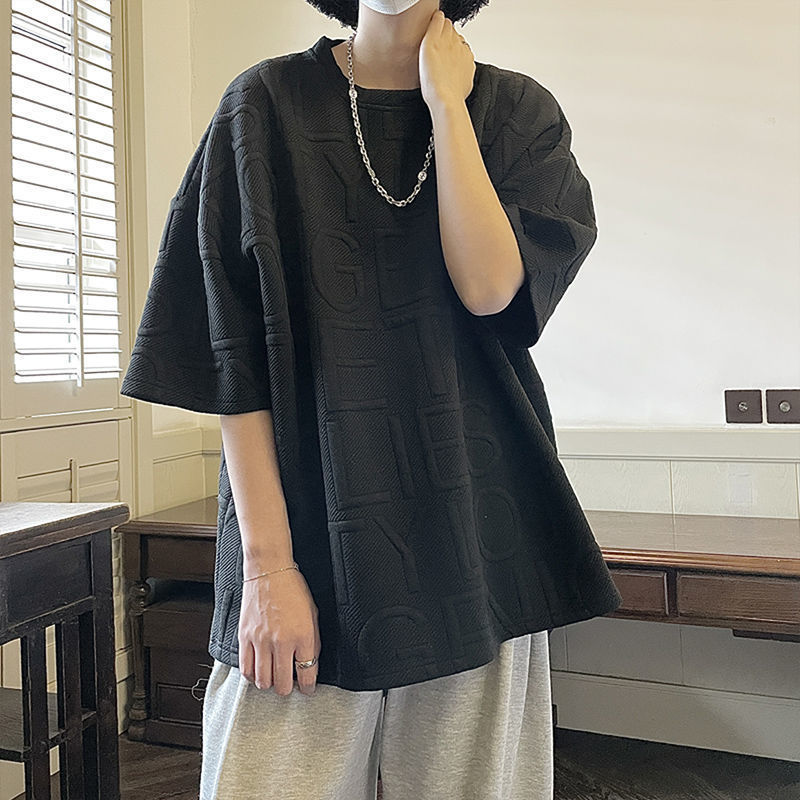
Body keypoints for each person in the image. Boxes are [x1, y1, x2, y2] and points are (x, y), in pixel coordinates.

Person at [120, 0, 624, 797]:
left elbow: (491, 289)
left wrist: (447, 104)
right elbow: (231, 358)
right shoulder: (263, 106)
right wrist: (267, 569)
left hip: (477, 537)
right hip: (301, 534)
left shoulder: (516, 112)